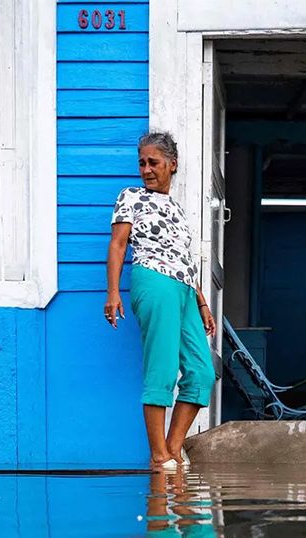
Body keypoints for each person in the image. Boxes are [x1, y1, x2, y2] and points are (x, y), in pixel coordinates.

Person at [105, 131, 217, 470]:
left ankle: (172, 448)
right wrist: (112, 292)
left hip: (183, 289)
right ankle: (159, 455)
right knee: (163, 368)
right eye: (142, 162)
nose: (146, 169)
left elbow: (184, 258)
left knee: (201, 372)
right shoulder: (131, 197)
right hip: (153, 281)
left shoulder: (178, 210)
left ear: (172, 164)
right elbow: (118, 244)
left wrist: (201, 302)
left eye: (153, 162)